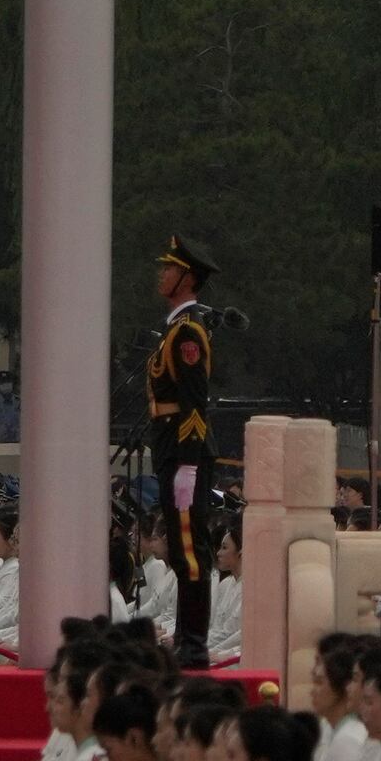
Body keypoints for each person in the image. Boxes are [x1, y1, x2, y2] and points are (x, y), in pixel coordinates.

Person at [144, 241, 222, 666]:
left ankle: (194, 644)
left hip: (184, 451)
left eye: (169, 269)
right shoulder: (175, 330)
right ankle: (187, 638)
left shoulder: (189, 332)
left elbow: (195, 402)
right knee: (179, 545)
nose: (161, 275)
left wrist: (189, 463)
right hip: (169, 447)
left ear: (187, 278)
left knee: (190, 548)